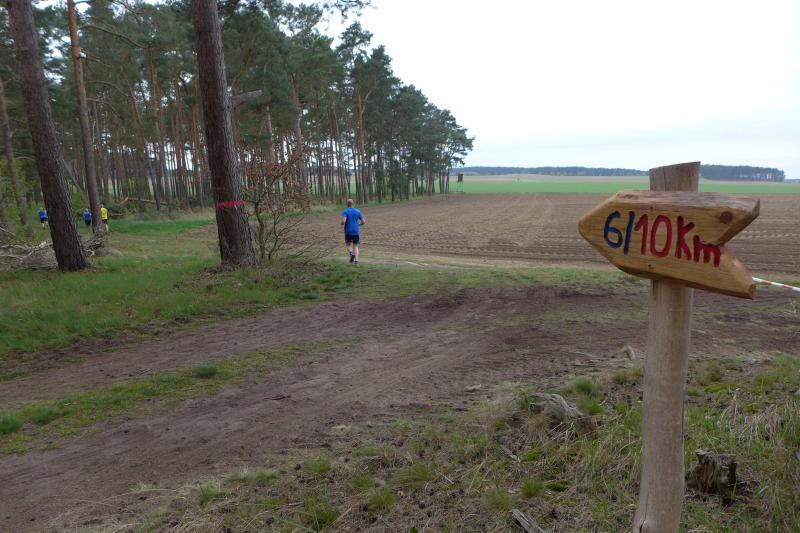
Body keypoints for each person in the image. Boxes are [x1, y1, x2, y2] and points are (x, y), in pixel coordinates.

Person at [341, 198, 365, 264]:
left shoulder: (345, 211)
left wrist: (342, 223)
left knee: (348, 244)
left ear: (347, 204)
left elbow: (343, 221)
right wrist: (359, 224)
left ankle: (351, 253)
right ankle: (356, 261)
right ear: (352, 203)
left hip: (348, 231)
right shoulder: (358, 211)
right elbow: (363, 221)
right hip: (356, 231)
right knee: (356, 246)